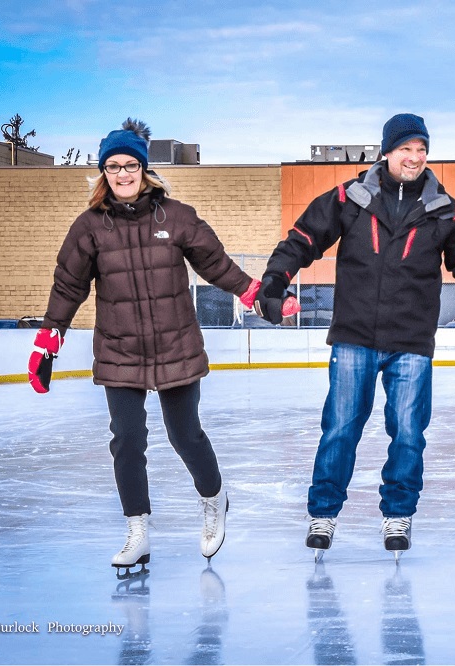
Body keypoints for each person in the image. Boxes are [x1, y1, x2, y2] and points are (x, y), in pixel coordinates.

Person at [256, 113, 455, 560]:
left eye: (421, 149)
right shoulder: (350, 199)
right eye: (406, 148)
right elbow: (301, 240)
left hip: (411, 341)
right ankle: (324, 513)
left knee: (408, 433)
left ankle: (398, 513)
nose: (414, 157)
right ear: (387, 151)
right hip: (354, 337)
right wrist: (275, 283)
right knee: (340, 430)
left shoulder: (444, 210)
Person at [28, 118, 275, 573]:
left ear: (144, 169)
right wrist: (47, 344)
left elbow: (217, 265)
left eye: (130, 165)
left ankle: (214, 499)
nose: (122, 174)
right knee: (126, 440)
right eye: (113, 167)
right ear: (103, 173)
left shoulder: (176, 216)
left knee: (185, 435)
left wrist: (255, 295)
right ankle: (138, 529)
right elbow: (68, 287)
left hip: (175, 344)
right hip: (120, 349)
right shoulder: (89, 227)